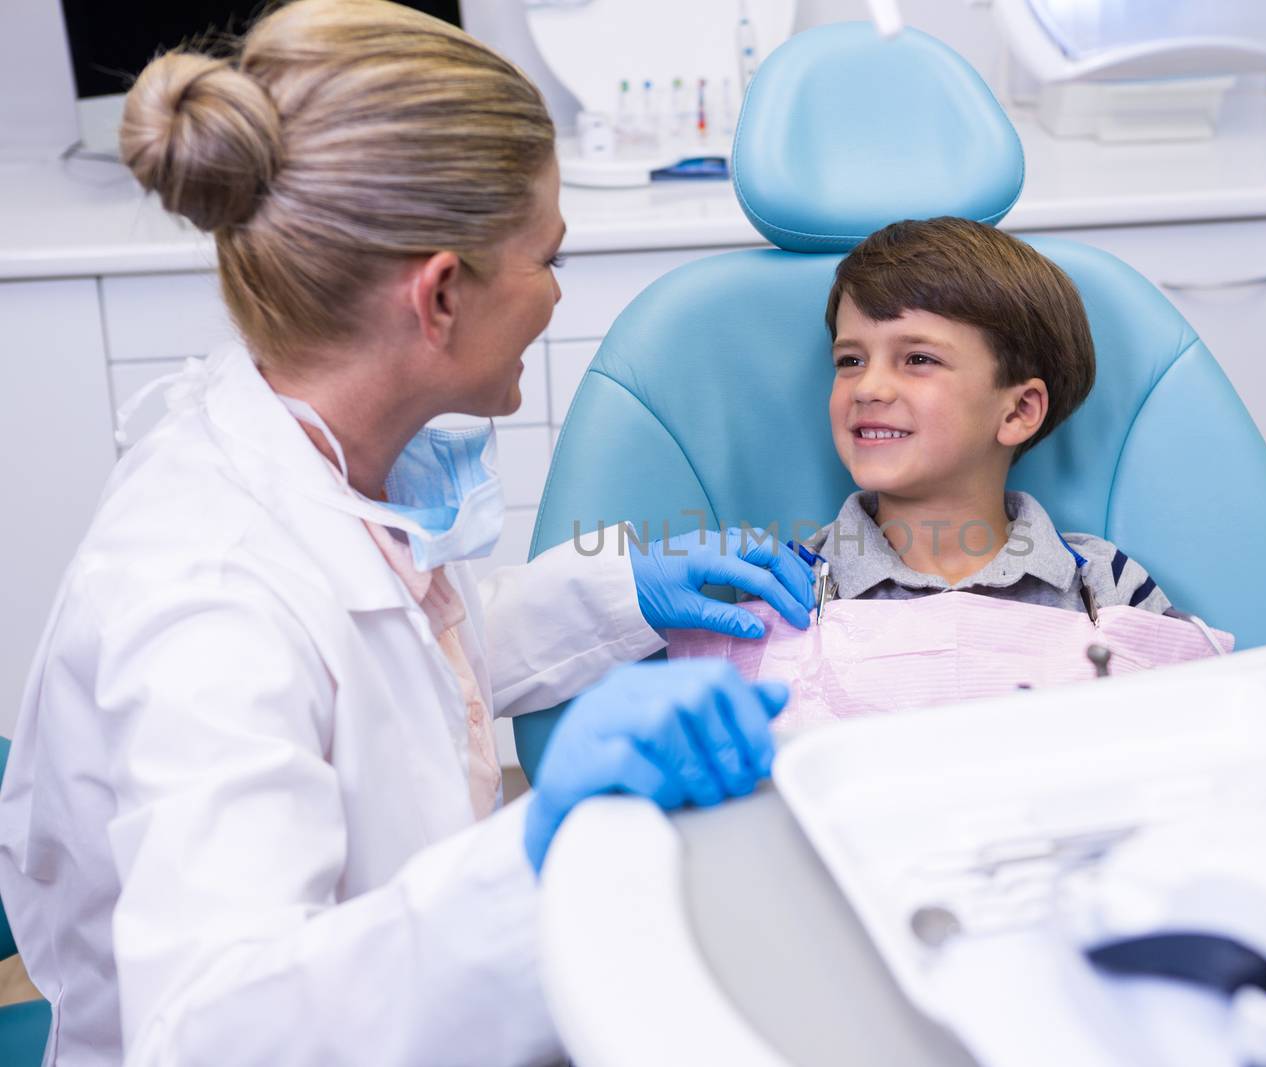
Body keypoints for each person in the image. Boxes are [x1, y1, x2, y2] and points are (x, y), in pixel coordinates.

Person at [0, 2, 815, 1064]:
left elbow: (395, 664)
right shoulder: (205, 607)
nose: (556, 293)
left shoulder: (302, 454)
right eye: (547, 258)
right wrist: (531, 850)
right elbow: (207, 1031)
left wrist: (621, 592)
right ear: (438, 294)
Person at [805, 216, 1173, 616]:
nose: (867, 388)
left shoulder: (1105, 586)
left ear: (1018, 411)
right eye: (851, 360)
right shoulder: (793, 584)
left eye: (918, 359)